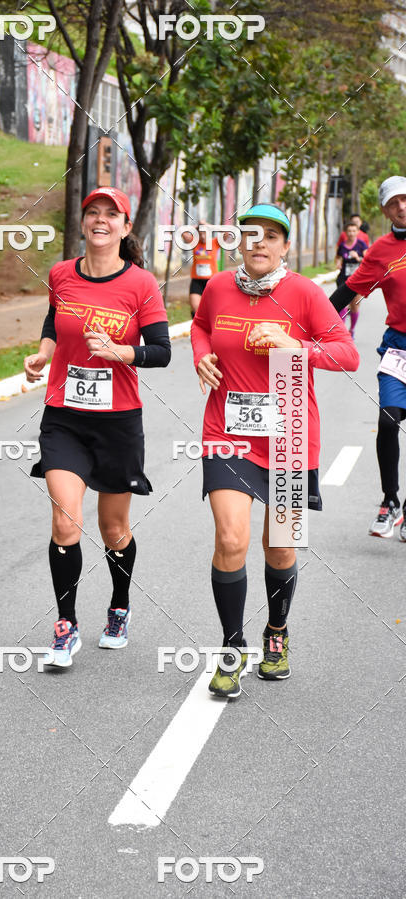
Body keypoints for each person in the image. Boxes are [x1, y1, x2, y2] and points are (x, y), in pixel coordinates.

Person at [191, 203, 359, 698]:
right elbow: (201, 326)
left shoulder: (305, 294)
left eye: (271, 235)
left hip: (288, 438)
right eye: (250, 234)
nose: (259, 242)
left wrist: (294, 344)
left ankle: (276, 633)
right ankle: (231, 646)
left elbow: (346, 354)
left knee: (280, 547)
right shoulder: (220, 287)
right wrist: (202, 355)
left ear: (286, 246)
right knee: (230, 539)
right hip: (229, 432)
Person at [24, 187, 171, 668]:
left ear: (126, 227)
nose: (101, 219)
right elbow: (53, 318)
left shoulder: (142, 285)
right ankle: (65, 627)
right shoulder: (62, 273)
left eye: (112, 214)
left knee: (114, 529)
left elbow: (162, 352)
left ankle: (119, 607)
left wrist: (121, 352)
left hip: (118, 423)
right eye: (93, 213)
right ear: (83, 222)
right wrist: (43, 355)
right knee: (65, 522)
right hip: (64, 417)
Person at [330, 175, 406, 541]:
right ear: (384, 209)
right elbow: (349, 290)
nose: (402, 207)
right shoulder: (381, 251)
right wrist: (306, 322)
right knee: (389, 423)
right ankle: (389, 501)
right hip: (398, 348)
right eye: (394, 203)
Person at [335, 221, 367, 338]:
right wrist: (338, 263)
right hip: (343, 278)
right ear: (345, 232)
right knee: (342, 304)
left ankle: (352, 330)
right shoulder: (342, 245)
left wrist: (358, 258)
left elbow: (368, 260)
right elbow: (338, 257)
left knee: (354, 305)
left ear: (358, 232)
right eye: (349, 231)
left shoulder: (361, 245)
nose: (351, 233)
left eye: (354, 231)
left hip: (358, 279)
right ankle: (342, 332)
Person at [183, 221, 220, 318]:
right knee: (195, 309)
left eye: (205, 233)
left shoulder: (214, 242)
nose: (203, 236)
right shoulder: (195, 242)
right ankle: (197, 329)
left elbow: (228, 233)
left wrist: (208, 225)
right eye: (200, 234)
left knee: (212, 309)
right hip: (197, 281)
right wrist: (196, 227)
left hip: (211, 281)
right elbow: (183, 232)